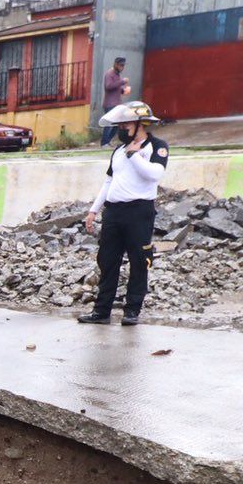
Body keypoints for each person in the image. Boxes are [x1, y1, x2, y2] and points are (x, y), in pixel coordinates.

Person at [78, 101, 170, 327]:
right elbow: (109, 181)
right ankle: (101, 311)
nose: (122, 128)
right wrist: (93, 210)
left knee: (139, 261)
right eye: (120, 125)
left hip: (139, 212)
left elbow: (155, 175)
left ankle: (131, 311)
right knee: (107, 261)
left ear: (141, 124)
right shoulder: (118, 151)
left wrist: (135, 156)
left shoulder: (156, 146)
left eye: (126, 124)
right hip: (114, 212)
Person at [100, 57, 132, 145]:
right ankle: (104, 143)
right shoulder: (109, 74)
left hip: (116, 103)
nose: (122, 67)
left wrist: (123, 90)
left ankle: (108, 141)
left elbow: (116, 87)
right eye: (121, 65)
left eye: (123, 66)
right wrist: (122, 82)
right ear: (116, 64)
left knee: (117, 125)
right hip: (110, 104)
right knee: (109, 124)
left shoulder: (117, 74)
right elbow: (108, 86)